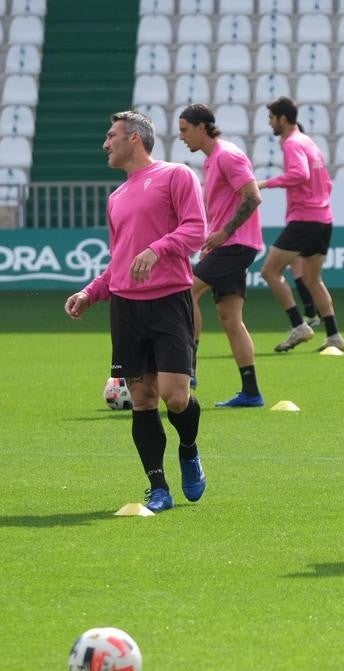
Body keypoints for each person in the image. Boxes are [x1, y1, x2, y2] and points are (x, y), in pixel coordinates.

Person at [65, 111, 207, 512]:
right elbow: (119, 259)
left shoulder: (176, 176)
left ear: (136, 139)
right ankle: (158, 487)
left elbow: (196, 230)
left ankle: (189, 449)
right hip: (127, 307)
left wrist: (157, 248)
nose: (105, 143)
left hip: (168, 300)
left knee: (175, 397)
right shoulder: (116, 197)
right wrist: (91, 292)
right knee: (143, 399)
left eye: (111, 136)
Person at [177, 103, 265, 408]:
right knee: (230, 318)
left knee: (186, 292)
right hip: (229, 245)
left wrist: (224, 233)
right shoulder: (212, 160)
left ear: (202, 127)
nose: (182, 137)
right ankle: (252, 392)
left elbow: (253, 197)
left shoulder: (227, 155)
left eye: (185, 130)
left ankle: (188, 369)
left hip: (236, 244)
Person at [257, 96, 344, 353]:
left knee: (269, 272)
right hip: (323, 219)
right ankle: (334, 335)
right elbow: (326, 182)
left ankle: (299, 325)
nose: (270, 123)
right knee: (312, 278)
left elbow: (300, 174)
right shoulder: (309, 142)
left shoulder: (291, 143)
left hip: (305, 219)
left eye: (271, 118)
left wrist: (265, 183)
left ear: (282, 119)